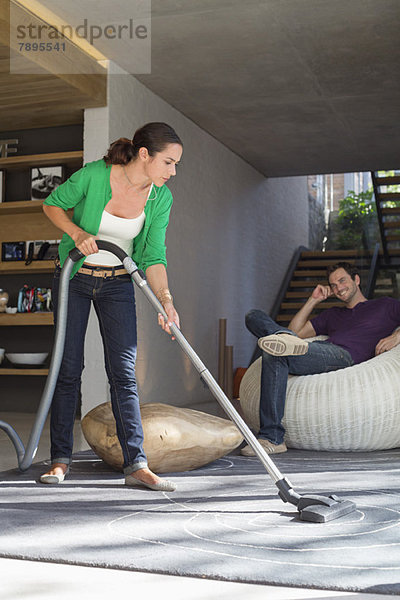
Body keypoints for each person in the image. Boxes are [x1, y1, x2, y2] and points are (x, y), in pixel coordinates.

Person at [39, 122, 183, 490]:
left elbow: (153, 256)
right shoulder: (95, 176)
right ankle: (59, 460)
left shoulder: (159, 199)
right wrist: (78, 233)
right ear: (144, 155)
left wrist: (166, 302)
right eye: (168, 162)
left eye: (176, 164)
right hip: (75, 277)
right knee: (68, 367)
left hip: (117, 282)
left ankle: (136, 464)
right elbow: (53, 204)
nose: (173, 172)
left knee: (123, 372)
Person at [242, 262, 400, 456]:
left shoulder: (385, 305)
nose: (338, 288)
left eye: (342, 281)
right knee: (253, 316)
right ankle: (274, 440)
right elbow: (297, 332)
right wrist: (313, 300)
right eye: (333, 285)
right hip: (318, 350)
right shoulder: (333, 314)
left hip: (343, 355)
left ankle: (271, 437)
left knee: (279, 349)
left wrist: (396, 336)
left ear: (356, 280)